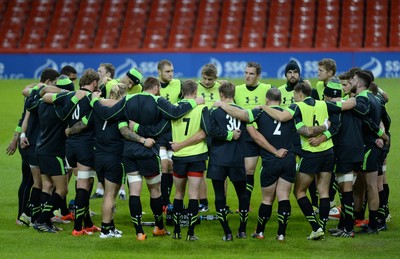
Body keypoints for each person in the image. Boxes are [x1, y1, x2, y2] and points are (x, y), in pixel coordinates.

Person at [91, 76, 204, 241]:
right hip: (148, 152)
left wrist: (94, 101)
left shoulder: (128, 99)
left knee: (134, 192)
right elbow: (174, 114)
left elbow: (107, 114)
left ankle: (139, 232)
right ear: (157, 87)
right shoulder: (158, 101)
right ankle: (159, 227)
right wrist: (196, 102)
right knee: (155, 191)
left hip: (129, 152)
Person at [260, 82, 356, 240]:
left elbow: (281, 116)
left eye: (294, 95)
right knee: (324, 191)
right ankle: (322, 228)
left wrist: (263, 107)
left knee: (299, 191)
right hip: (328, 152)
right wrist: (325, 126)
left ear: (299, 93)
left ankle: (316, 227)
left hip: (310, 154)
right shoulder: (324, 104)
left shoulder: (297, 106)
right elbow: (350, 104)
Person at [169, 80, 231, 241]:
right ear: (196, 92)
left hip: (179, 156)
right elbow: (206, 132)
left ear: (182, 92)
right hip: (197, 156)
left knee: (178, 194)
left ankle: (176, 231)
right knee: (193, 195)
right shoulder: (201, 108)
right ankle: (190, 233)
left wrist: (179, 144)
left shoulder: (175, 108)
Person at [66, 83, 129, 238]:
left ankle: (111, 226)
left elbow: (83, 124)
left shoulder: (97, 109)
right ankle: (106, 229)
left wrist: (69, 130)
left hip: (99, 157)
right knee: (110, 195)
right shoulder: (123, 110)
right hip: (114, 156)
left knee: (109, 194)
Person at [28, 76, 85, 232]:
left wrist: (52, 91)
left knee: (47, 186)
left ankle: (46, 221)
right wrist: (74, 98)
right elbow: (66, 113)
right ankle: (41, 221)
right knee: (62, 190)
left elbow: (41, 94)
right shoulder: (58, 110)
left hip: (41, 149)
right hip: (53, 153)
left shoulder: (41, 105)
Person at [20, 68, 60, 226]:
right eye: (54, 83)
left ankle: (30, 216)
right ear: (49, 82)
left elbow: (26, 117)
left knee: (39, 183)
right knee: (46, 184)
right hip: (39, 145)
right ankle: (39, 218)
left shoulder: (31, 94)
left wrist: (22, 135)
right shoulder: (46, 98)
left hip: (32, 143)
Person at [351, 70, 387, 234]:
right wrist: (381, 135)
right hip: (374, 146)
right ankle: (371, 222)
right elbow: (379, 121)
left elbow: (365, 120)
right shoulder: (375, 98)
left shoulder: (362, 98)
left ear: (358, 83)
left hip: (368, 147)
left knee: (371, 187)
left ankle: (373, 225)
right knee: (369, 186)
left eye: (353, 79)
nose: (351, 81)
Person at [233, 62, 272, 208]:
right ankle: (245, 203)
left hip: (265, 133)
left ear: (258, 75)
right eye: (246, 73)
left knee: (269, 170)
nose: (247, 76)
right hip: (247, 135)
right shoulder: (237, 90)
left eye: (251, 74)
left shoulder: (267, 89)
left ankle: (271, 203)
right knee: (248, 169)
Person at [92, 63, 127, 201]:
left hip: (99, 151)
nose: (98, 73)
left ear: (108, 74)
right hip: (115, 152)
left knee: (108, 193)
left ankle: (108, 192)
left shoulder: (109, 85)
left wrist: (96, 101)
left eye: (100, 71)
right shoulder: (123, 107)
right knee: (110, 195)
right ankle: (108, 222)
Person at [196, 63, 223, 213]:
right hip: (199, 132)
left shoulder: (222, 88)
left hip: (217, 133)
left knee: (221, 168)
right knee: (200, 169)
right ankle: (203, 202)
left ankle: (222, 203)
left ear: (216, 78)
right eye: (205, 79)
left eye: (210, 79)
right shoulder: (194, 87)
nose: (207, 82)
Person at [157, 59, 182, 212]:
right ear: (159, 72)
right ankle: (164, 201)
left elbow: (196, 87)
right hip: (159, 132)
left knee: (171, 167)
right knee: (164, 165)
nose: (171, 74)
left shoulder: (179, 85)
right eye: (167, 71)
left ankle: (167, 201)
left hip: (174, 131)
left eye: (172, 71)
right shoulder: (154, 86)